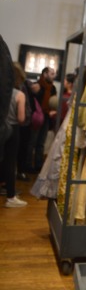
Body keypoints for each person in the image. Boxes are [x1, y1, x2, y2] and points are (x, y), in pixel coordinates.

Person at [0, 62, 27, 207]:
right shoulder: (19, 95)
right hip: (12, 130)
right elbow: (21, 118)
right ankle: (10, 197)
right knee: (10, 163)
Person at [29, 67, 57, 172]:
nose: (54, 75)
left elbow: (53, 103)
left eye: (54, 73)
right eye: (51, 73)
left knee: (41, 143)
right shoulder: (37, 85)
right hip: (36, 117)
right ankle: (27, 165)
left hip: (46, 117)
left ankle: (38, 165)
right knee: (32, 141)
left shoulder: (53, 88)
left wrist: (52, 111)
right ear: (45, 74)